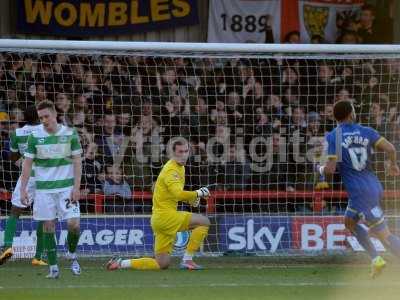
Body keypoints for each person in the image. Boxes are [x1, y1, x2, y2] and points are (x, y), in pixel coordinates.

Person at [318, 99, 400, 278]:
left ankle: (378, 258)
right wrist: (393, 166)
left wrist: (321, 169)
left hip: (360, 192)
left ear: (335, 117)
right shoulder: (367, 131)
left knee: (384, 235)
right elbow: (391, 149)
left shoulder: (335, 136)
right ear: (351, 114)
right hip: (373, 186)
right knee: (349, 222)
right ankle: (376, 259)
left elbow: (331, 169)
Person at [106, 137, 211, 271]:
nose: (184, 155)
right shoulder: (171, 170)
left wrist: (190, 199)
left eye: (186, 151)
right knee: (204, 221)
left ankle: (121, 263)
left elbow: (170, 194)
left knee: (162, 264)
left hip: (159, 219)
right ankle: (187, 260)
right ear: (173, 153)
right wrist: (198, 193)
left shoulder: (179, 168)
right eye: (180, 152)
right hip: (167, 217)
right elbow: (177, 194)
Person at [19, 100, 82, 279]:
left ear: (55, 114)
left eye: (47, 116)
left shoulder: (70, 134)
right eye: (41, 118)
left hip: (66, 189)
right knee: (48, 226)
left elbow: (78, 162)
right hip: (44, 190)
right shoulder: (34, 136)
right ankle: (53, 268)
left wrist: (77, 187)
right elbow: (27, 164)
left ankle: (71, 253)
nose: (44, 120)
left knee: (74, 224)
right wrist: (23, 189)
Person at [0, 106, 47, 266]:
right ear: (39, 117)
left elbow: (12, 156)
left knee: (15, 210)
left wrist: (21, 162)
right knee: (44, 216)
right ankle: (38, 256)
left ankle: (7, 246)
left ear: (23, 118)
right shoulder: (46, 131)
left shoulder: (17, 133)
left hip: (26, 176)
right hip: (45, 177)